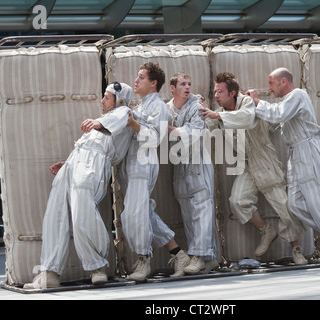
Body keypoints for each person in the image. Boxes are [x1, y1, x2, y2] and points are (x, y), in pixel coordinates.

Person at [24, 81, 134, 289]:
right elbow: (87, 146)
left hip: (93, 165)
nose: (102, 101)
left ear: (118, 100)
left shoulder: (124, 113)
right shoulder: (102, 120)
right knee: (55, 214)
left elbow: (113, 127)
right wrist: (68, 162)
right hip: (75, 164)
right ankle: (50, 271)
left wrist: (98, 124)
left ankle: (96, 266)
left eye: (107, 97)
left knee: (82, 210)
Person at [199, 72, 307, 265]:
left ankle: (296, 249)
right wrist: (197, 109)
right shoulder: (219, 112)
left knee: (284, 207)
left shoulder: (247, 103)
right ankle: (266, 230)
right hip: (248, 164)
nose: (216, 95)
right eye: (215, 91)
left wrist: (217, 115)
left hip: (265, 160)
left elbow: (246, 119)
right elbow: (207, 126)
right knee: (238, 201)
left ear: (232, 93)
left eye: (220, 91)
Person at [247, 67, 320, 262]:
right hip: (296, 154)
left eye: (271, 83)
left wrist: (257, 101)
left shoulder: (297, 95)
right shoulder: (287, 103)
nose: (269, 88)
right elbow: (273, 122)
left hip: (308, 150)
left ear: (283, 82)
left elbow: (278, 115)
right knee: (296, 204)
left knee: (318, 198)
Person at [120, 62, 190, 281]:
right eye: (137, 76)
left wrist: (133, 124)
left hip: (143, 162)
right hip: (131, 163)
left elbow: (154, 138)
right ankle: (178, 253)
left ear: (153, 83)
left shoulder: (158, 106)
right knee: (142, 212)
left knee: (134, 214)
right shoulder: (140, 107)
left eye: (141, 77)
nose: (136, 80)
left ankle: (144, 259)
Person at [166, 72, 219, 274]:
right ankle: (210, 258)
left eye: (189, 84)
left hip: (198, 163)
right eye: (182, 84)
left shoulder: (196, 106)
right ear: (172, 88)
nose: (187, 87)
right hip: (180, 164)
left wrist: (169, 129)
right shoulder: (167, 107)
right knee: (188, 213)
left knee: (202, 210)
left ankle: (198, 256)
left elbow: (194, 134)